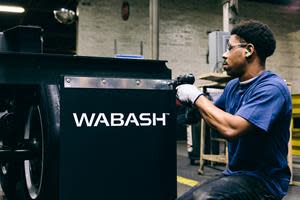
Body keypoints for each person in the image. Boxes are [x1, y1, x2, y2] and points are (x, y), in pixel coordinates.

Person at [176, 20, 292, 200]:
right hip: (236, 173)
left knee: (201, 198)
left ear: (248, 50)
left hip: (264, 182)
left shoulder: (272, 88)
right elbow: (211, 113)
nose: (224, 54)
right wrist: (189, 106)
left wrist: (196, 96)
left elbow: (231, 128)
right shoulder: (232, 86)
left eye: (229, 48)